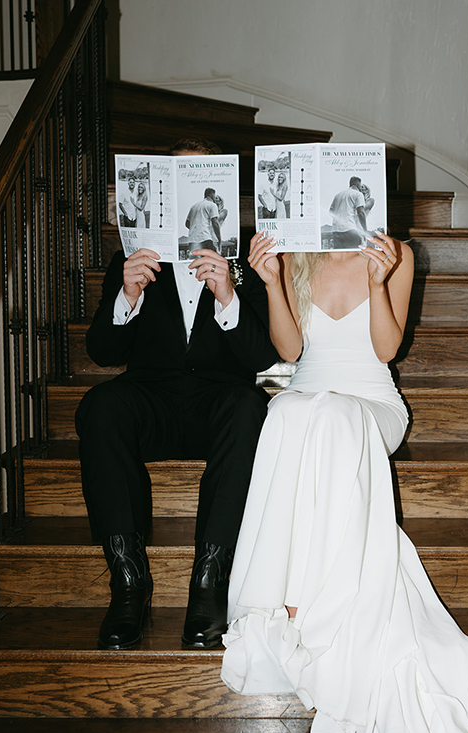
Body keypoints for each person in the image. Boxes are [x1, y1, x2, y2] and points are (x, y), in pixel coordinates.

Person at [221, 232, 468, 733]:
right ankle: (279, 601)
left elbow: (386, 348)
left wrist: (377, 278)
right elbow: (290, 349)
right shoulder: (294, 253)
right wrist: (268, 280)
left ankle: (324, 611)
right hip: (308, 394)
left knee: (338, 419)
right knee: (284, 413)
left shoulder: (398, 254)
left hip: (370, 401)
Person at [75, 142, 279, 652]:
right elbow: (102, 352)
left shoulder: (245, 261)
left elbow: (261, 356)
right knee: (99, 406)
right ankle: (128, 582)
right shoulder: (132, 257)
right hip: (153, 399)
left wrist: (228, 295)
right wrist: (128, 296)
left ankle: (209, 584)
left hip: (218, 402)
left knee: (251, 407)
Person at [329, 175, 368, 248]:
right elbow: (361, 213)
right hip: (349, 229)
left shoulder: (338, 195)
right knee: (353, 253)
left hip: (336, 231)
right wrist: (365, 230)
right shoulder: (358, 194)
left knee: (340, 254)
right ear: (357, 185)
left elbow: (330, 212)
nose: (361, 188)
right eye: (360, 185)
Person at [186, 188, 221, 252]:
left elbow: (187, 224)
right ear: (211, 195)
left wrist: (196, 229)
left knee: (197, 260)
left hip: (192, 241)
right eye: (214, 195)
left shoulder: (194, 206)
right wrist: (219, 239)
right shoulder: (212, 205)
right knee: (212, 259)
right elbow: (215, 223)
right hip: (205, 238)